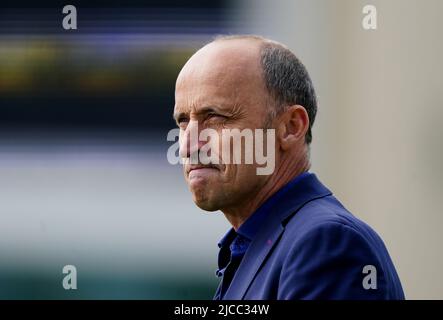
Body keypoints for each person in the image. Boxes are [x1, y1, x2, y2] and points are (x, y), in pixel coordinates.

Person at [173, 35, 404, 299]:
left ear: (291, 127)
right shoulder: (261, 244)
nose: (188, 143)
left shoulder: (326, 243)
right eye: (182, 121)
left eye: (214, 116)